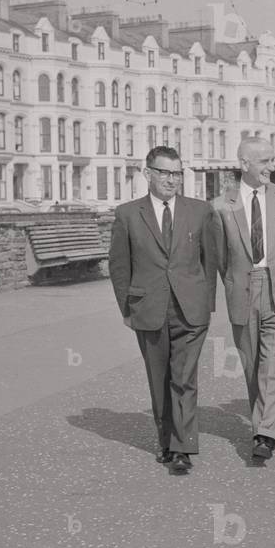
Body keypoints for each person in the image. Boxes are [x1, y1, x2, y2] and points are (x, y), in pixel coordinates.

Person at [108, 146, 218, 475]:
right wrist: (129, 309)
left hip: (190, 310)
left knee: (184, 378)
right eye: (164, 173)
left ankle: (183, 447)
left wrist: (206, 305)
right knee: (160, 379)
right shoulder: (128, 215)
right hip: (149, 308)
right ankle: (166, 442)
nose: (172, 180)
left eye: (177, 173)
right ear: (148, 173)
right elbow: (119, 267)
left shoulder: (200, 211)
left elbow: (210, 261)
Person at [212, 137, 275, 461]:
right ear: (244, 163)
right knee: (253, 366)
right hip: (243, 289)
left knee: (272, 363)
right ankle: (264, 425)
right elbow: (221, 258)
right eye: (264, 161)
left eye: (272, 160)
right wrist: (237, 283)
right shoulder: (220, 206)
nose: (271, 167)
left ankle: (264, 433)